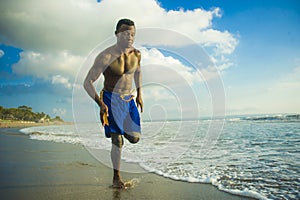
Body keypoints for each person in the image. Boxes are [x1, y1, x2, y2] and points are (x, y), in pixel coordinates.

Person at [83, 19, 143, 188]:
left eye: (132, 34)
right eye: (125, 33)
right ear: (116, 33)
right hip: (110, 100)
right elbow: (87, 82)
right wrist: (100, 104)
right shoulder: (106, 56)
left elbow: (138, 71)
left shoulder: (137, 54)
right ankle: (116, 178)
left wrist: (140, 94)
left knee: (135, 138)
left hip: (128, 100)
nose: (129, 37)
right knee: (117, 142)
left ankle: (119, 130)